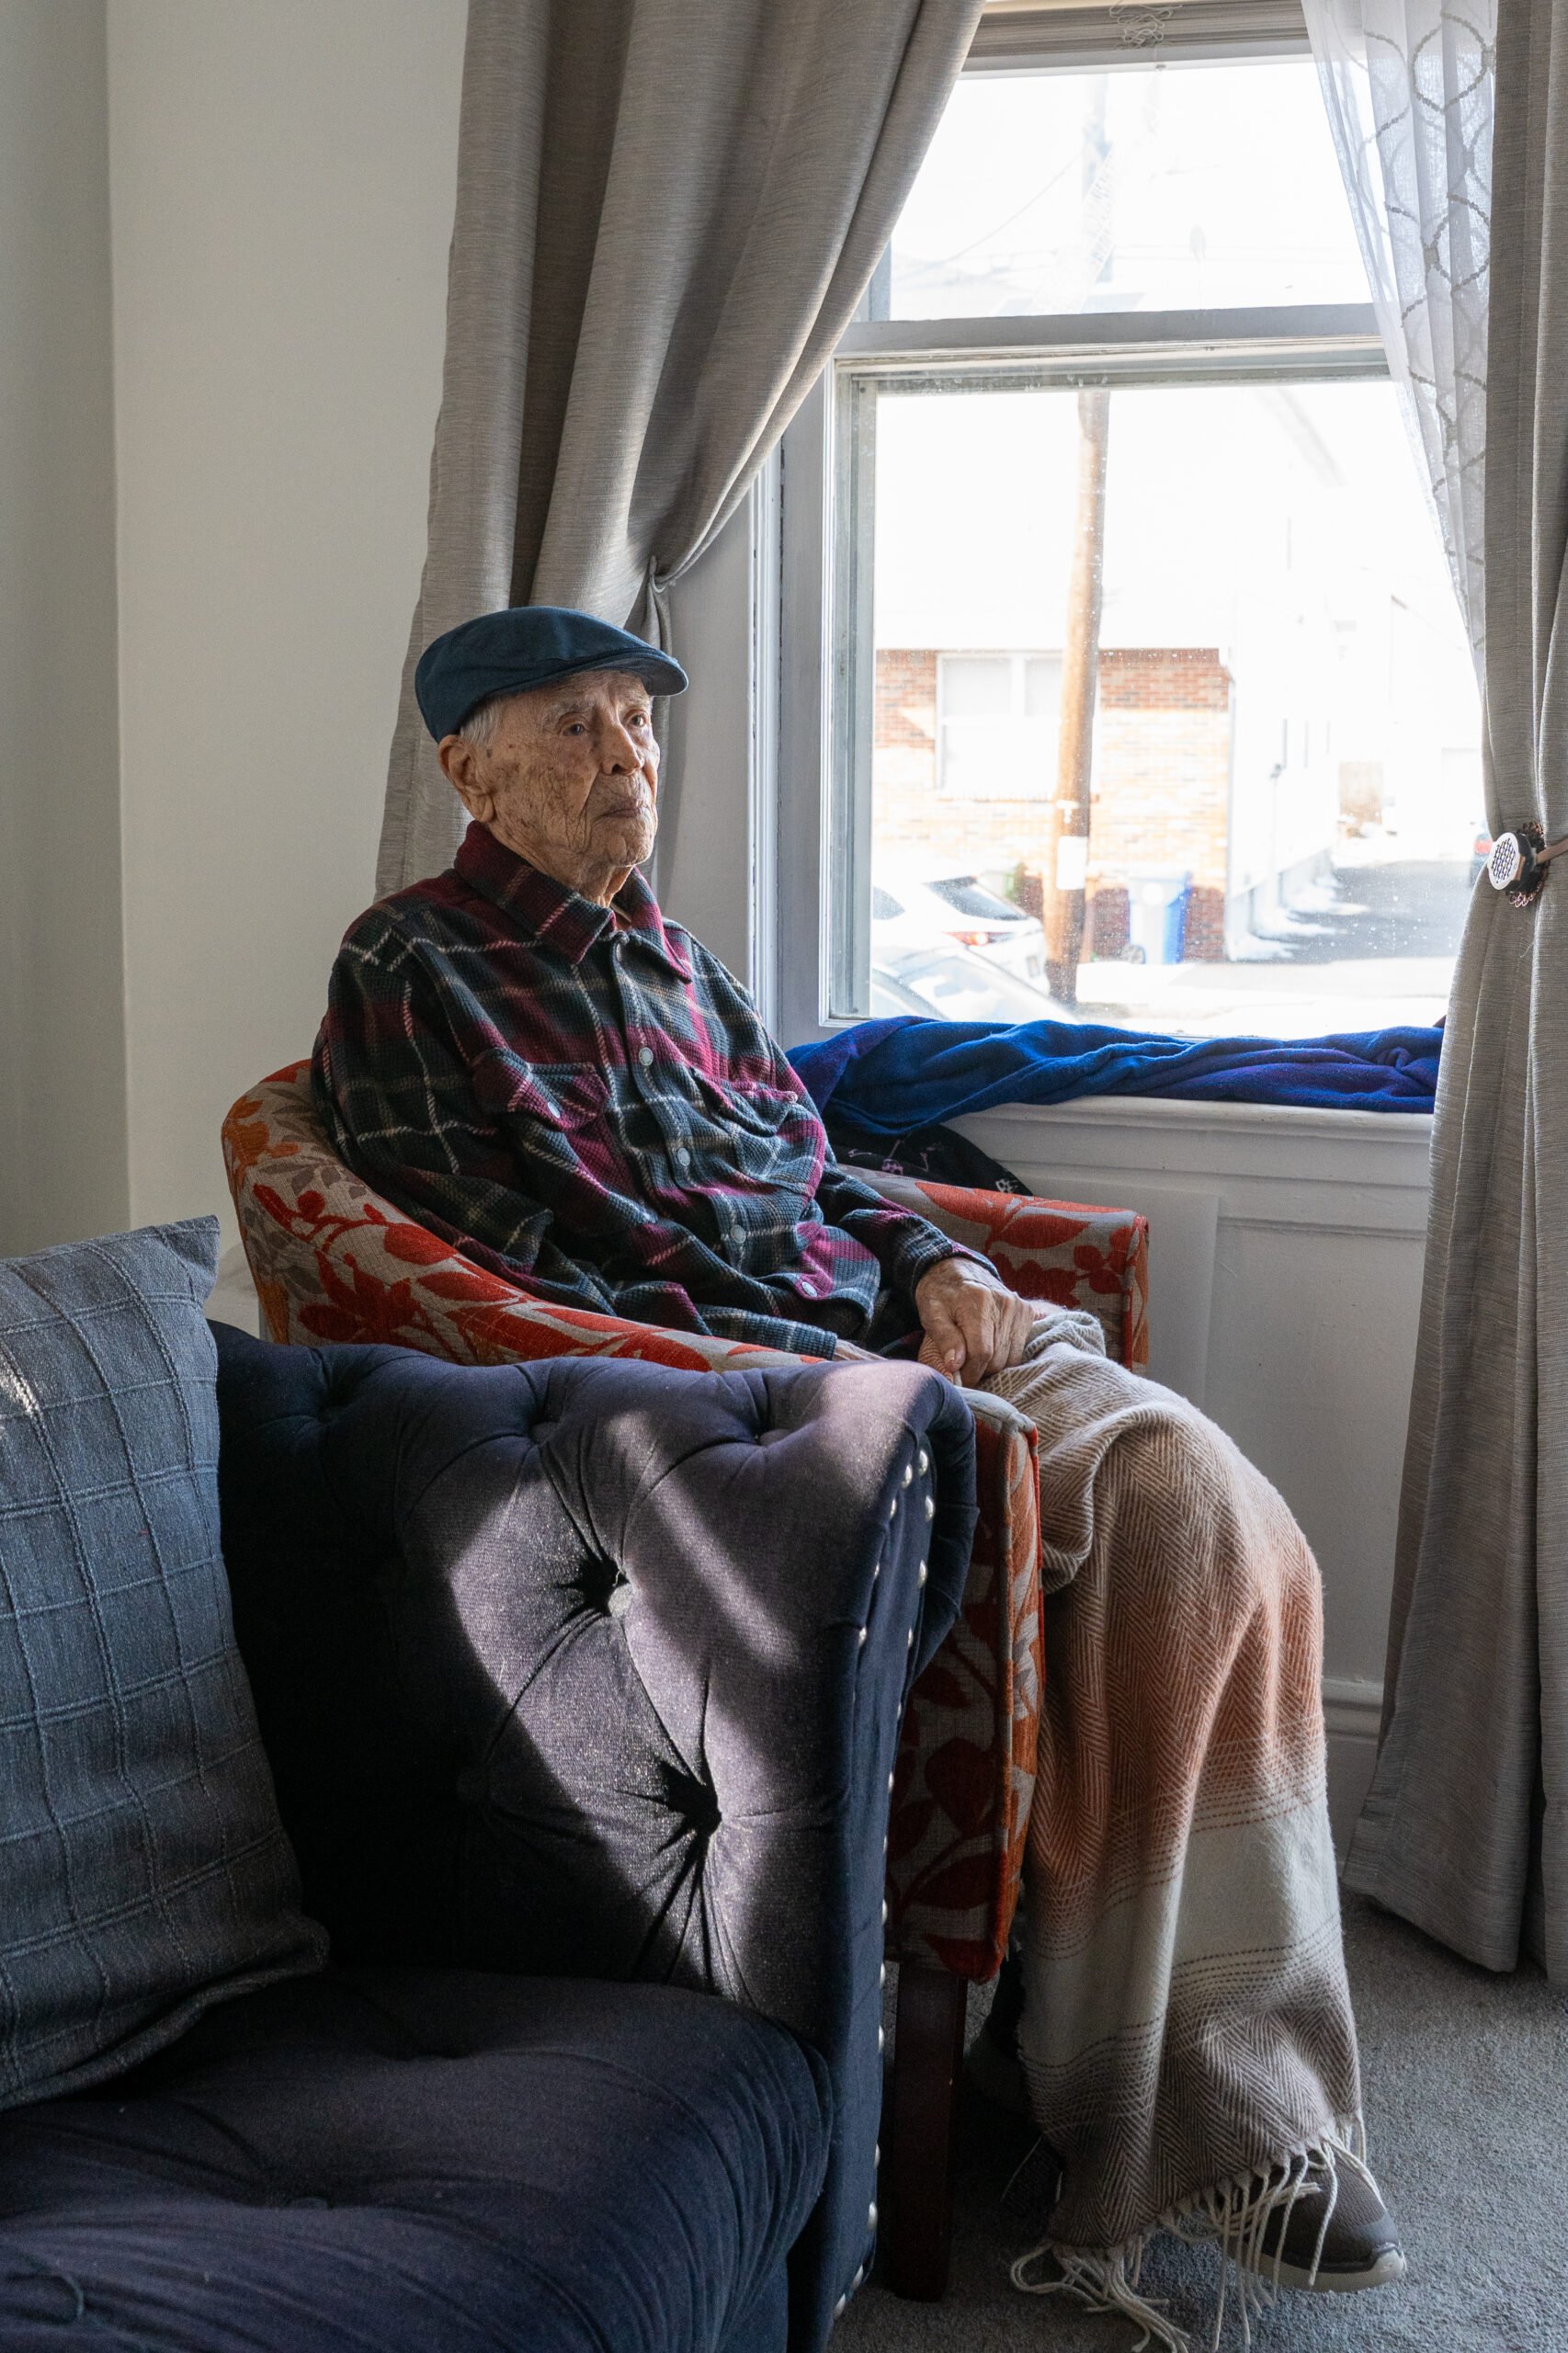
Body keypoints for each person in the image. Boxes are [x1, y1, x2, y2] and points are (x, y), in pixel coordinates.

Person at [313, 605, 1404, 2348]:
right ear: (469, 769)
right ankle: (1187, 2116)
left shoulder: (683, 963)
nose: (627, 762)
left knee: (1233, 1532)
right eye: (577, 731)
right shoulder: (413, 969)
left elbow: (824, 1170)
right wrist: (829, 1367)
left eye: (638, 728)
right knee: (1175, 1522)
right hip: (751, 1405)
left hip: (893, 1344)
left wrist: (931, 1265)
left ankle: (1178, 2056)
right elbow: (511, 1281)